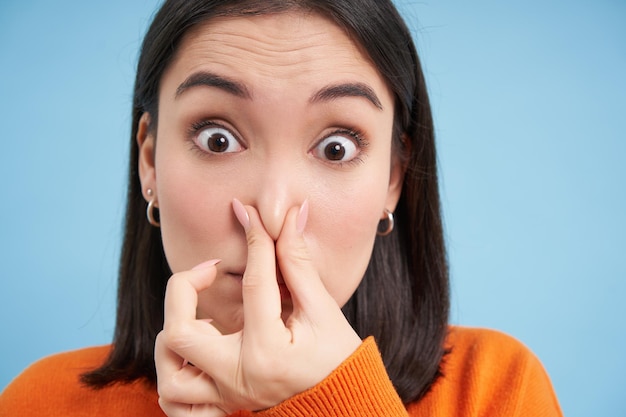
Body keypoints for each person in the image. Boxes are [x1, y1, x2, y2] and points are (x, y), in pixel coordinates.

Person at [0, 0, 563, 415]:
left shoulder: (496, 389)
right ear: (149, 160)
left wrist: (338, 403)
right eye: (216, 138)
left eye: (336, 147)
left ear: (393, 178)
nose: (270, 211)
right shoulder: (40, 402)